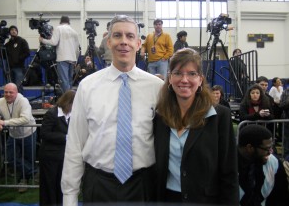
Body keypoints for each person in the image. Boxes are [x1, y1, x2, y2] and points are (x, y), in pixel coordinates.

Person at [61, 15, 164, 206]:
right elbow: (75, 143)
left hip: (143, 184)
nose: (123, 41)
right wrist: (69, 195)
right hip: (99, 184)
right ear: (109, 41)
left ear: (139, 43)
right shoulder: (87, 86)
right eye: (117, 35)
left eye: (129, 36)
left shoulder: (157, 87)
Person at [154, 48, 238, 204]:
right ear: (170, 78)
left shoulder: (219, 117)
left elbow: (229, 173)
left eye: (192, 73)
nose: (184, 79)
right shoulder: (160, 117)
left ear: (200, 79)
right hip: (167, 199)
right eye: (178, 73)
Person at [0, 83, 37, 193]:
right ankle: (35, 172)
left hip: (28, 133)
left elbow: (25, 119)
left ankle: (23, 181)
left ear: (16, 92)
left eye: (11, 92)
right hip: (13, 135)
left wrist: (4, 122)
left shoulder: (23, 101)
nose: (8, 94)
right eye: (6, 92)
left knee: (28, 158)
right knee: (10, 158)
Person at [39, 90, 76, 206]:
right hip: (50, 157)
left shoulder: (72, 115)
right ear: (68, 102)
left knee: (61, 184)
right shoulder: (51, 114)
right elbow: (44, 134)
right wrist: (66, 137)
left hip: (64, 157)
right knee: (49, 185)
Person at [238, 124, 289, 206]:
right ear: (250, 148)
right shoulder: (226, 166)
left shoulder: (273, 162)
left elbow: (280, 197)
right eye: (267, 149)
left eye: (271, 147)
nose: (270, 152)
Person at [39, 16, 80, 93]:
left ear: (60, 21)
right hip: (72, 59)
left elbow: (54, 42)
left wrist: (43, 40)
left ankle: (67, 101)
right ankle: (70, 99)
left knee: (64, 81)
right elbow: (77, 48)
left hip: (62, 58)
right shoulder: (74, 32)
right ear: (69, 22)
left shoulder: (59, 28)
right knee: (69, 81)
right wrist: (76, 60)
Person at [279, 82, 289, 158]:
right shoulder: (285, 92)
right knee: (287, 141)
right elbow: (281, 105)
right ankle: (286, 159)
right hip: (287, 120)